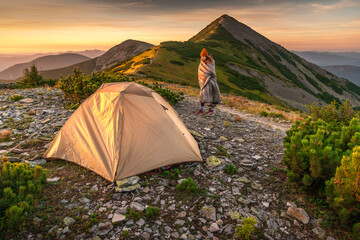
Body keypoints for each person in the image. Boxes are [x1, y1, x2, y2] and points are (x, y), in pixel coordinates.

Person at [196, 48, 221, 115]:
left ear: (206, 56)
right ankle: (201, 109)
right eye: (201, 56)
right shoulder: (201, 62)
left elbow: (212, 72)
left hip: (210, 81)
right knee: (203, 95)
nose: (202, 58)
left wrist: (206, 76)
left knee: (210, 95)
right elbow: (200, 71)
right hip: (203, 82)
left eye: (203, 56)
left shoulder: (211, 62)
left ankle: (210, 110)